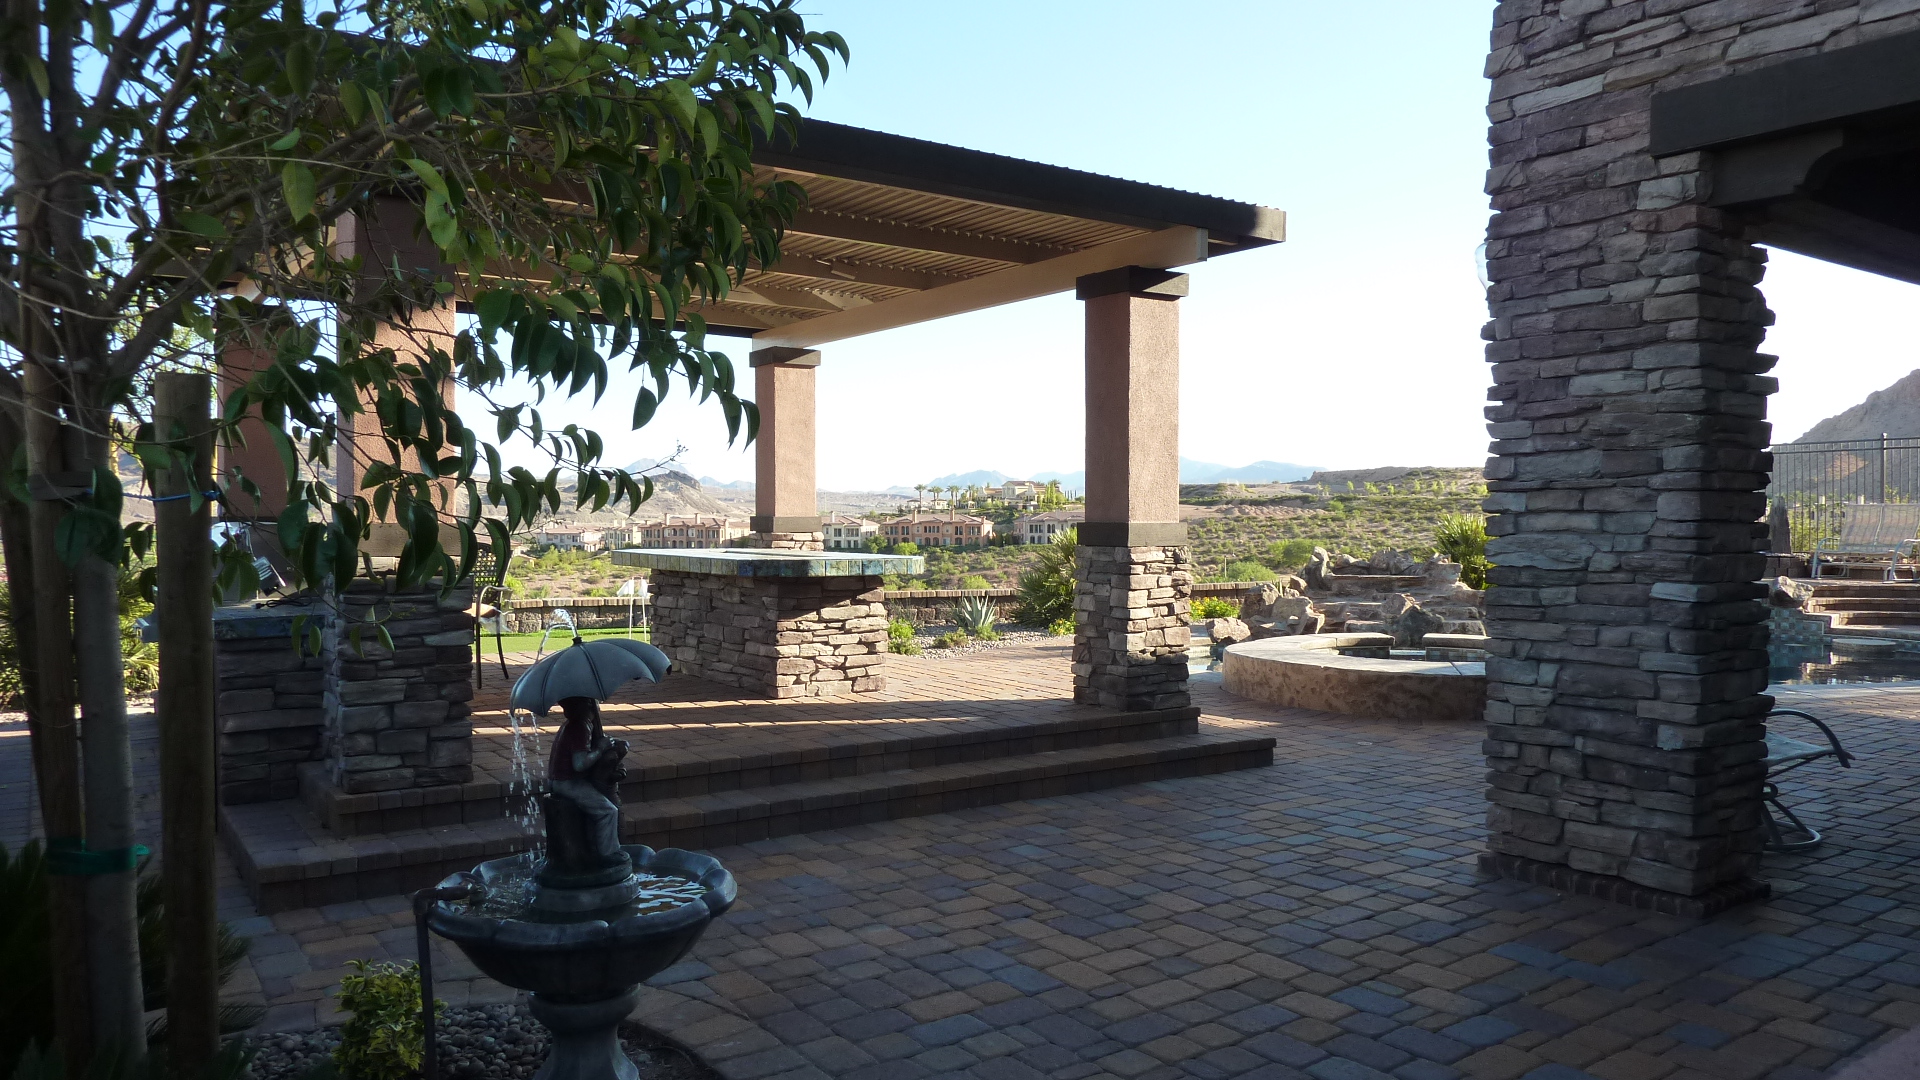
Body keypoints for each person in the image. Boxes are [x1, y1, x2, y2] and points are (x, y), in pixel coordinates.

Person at [542, 695, 630, 878]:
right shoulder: (579, 727)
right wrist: (600, 749)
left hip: (561, 780)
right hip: (566, 782)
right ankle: (607, 854)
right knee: (608, 811)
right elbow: (579, 764)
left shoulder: (575, 725)